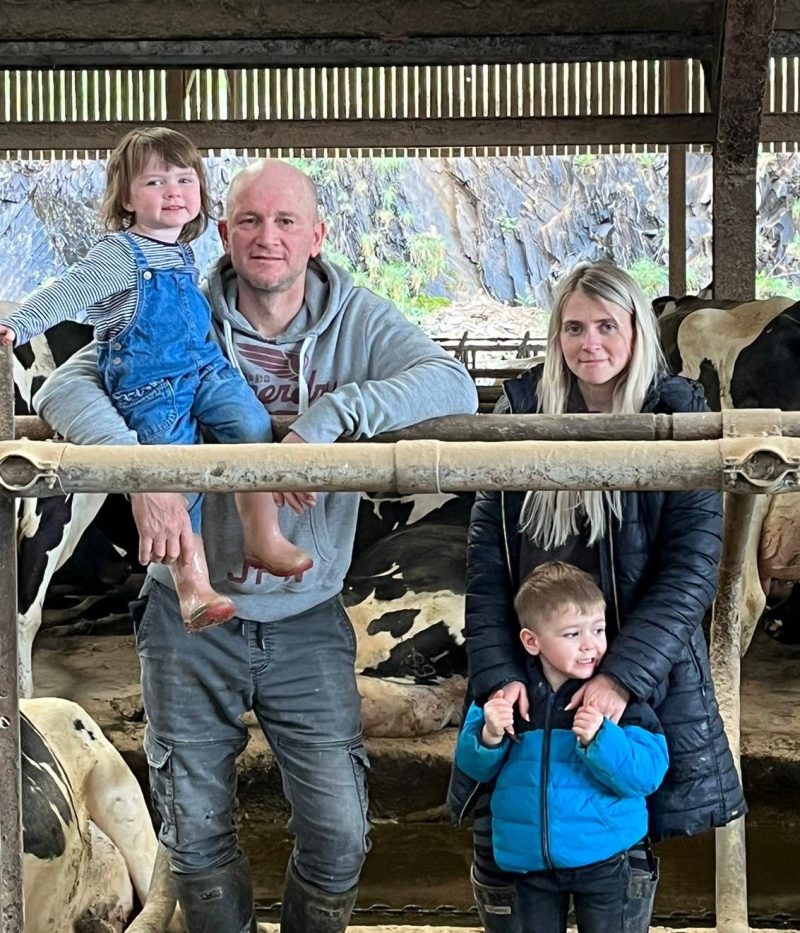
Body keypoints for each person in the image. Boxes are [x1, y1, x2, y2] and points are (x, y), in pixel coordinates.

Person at [34, 157, 479, 933]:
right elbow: (63, 385)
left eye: (284, 221)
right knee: (194, 834)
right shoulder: (171, 302)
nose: (266, 237)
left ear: (317, 235)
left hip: (307, 613)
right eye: (248, 220)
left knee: (339, 832)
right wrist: (142, 472)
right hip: (187, 619)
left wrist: (331, 416)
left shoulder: (358, 320)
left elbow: (453, 384)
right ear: (222, 230)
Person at [448, 261, 746, 933]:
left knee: (620, 830)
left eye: (608, 326)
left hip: (633, 670)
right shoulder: (522, 411)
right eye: (574, 327)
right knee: (516, 831)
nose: (591, 344)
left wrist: (620, 678)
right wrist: (497, 677)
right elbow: (487, 567)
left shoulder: (678, 415)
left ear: (637, 330)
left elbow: (691, 570)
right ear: (556, 335)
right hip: (531, 667)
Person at [1, 127, 314, 634]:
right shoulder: (118, 255)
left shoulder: (182, 253)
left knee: (250, 423)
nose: (173, 192)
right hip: (151, 389)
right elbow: (67, 291)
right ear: (126, 199)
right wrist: (19, 325)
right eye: (154, 182)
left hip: (205, 370)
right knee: (175, 476)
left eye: (184, 180)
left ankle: (263, 534)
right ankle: (192, 582)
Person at [455, 561, 669, 933]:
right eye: (572, 634)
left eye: (599, 629)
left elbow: (647, 775)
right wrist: (488, 735)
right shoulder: (506, 695)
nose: (590, 645)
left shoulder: (617, 699)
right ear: (531, 641)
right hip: (527, 866)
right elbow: (473, 768)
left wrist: (602, 740)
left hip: (606, 859)